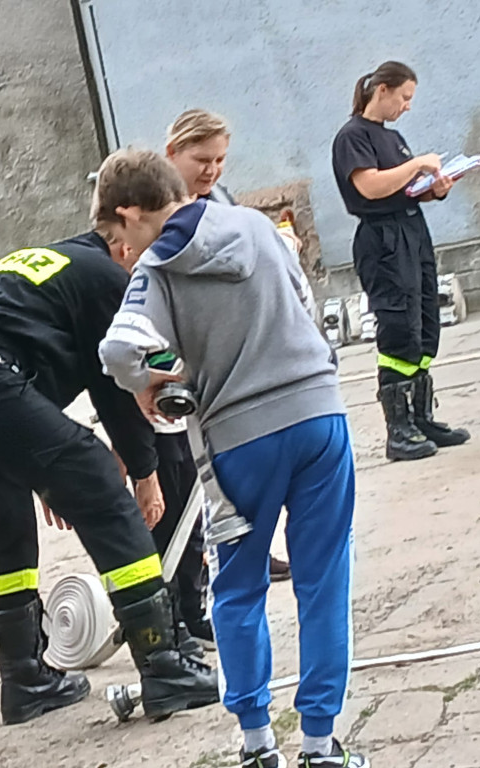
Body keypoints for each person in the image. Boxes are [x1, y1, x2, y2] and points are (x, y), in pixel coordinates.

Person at [0, 205, 220, 726]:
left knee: (6, 521)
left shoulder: (45, 260)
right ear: (123, 247)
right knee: (99, 484)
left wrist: (45, 473)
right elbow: (113, 384)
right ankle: (164, 664)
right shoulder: (105, 276)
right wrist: (142, 472)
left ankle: (25, 681)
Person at [97, 149, 366, 768]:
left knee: (238, 589)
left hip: (242, 441)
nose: (125, 251)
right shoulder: (256, 226)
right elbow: (301, 297)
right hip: (320, 417)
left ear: (133, 213)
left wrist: (152, 383)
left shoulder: (159, 265)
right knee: (324, 582)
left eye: (120, 237)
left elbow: (118, 350)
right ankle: (322, 747)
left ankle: (255, 744)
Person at [166, 109, 293, 586]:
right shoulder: (159, 203)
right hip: (191, 348)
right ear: (172, 154)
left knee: (249, 460)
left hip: (238, 347)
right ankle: (200, 565)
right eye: (201, 159)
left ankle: (256, 545)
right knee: (195, 467)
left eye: (219, 160)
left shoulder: (219, 197)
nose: (212, 170)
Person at [332, 61, 469, 461]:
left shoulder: (392, 138)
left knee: (425, 320)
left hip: (412, 230)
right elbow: (370, 186)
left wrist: (436, 189)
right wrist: (417, 164)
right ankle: (399, 429)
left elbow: (406, 190)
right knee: (398, 324)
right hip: (382, 238)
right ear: (383, 91)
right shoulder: (352, 137)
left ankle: (422, 416)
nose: (407, 107)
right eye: (405, 97)